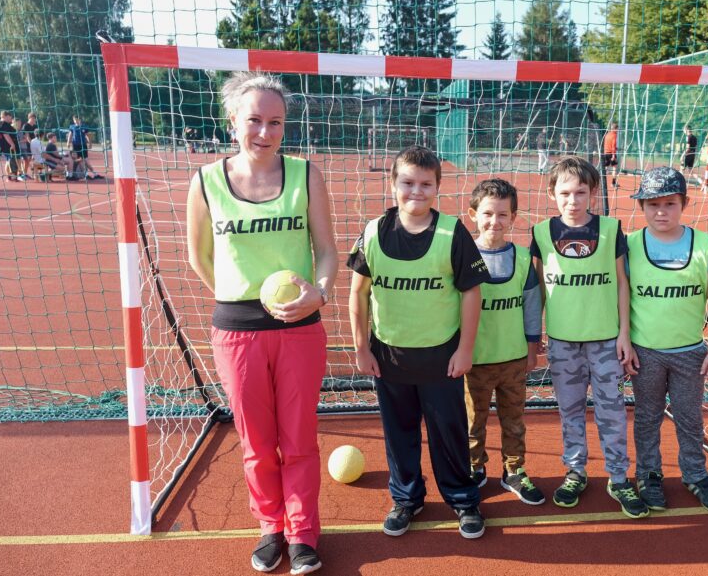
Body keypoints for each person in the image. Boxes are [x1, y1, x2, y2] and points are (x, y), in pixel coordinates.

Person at [186, 72, 338, 574]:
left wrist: (318, 293)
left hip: (299, 327)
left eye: (276, 122)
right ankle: (271, 526)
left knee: (298, 438)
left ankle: (302, 533)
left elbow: (327, 250)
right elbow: (198, 257)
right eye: (254, 120)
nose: (265, 132)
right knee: (256, 442)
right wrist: (237, 296)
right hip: (237, 330)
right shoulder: (206, 181)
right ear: (233, 121)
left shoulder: (306, 175)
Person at [347, 145, 489, 540]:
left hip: (441, 357)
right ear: (393, 184)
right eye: (408, 182)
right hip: (388, 356)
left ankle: (463, 498)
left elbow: (471, 292)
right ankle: (407, 499)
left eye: (426, 184)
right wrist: (361, 347)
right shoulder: (374, 232)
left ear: (437, 187)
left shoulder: (452, 232)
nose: (416, 191)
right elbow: (358, 293)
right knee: (399, 433)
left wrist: (465, 349)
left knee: (449, 432)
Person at [531, 156, 648, 519]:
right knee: (569, 410)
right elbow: (537, 289)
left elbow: (623, 285)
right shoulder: (541, 233)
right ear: (552, 194)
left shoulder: (611, 230)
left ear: (593, 193)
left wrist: (624, 334)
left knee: (612, 411)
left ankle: (618, 477)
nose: (573, 200)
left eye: (581, 192)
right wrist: (534, 339)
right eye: (565, 192)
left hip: (606, 342)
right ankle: (575, 471)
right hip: (563, 343)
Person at [626, 167, 708, 514]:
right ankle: (648, 474)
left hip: (689, 352)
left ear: (684, 203)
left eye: (669, 203)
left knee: (689, 418)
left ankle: (695, 474)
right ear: (642, 206)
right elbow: (621, 298)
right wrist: (624, 341)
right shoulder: (630, 245)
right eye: (652, 204)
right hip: (646, 353)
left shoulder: (704, 245)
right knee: (647, 417)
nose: (661, 212)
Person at [464, 178, 545, 505]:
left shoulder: (522, 258)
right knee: (473, 420)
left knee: (514, 420)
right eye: (487, 214)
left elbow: (531, 306)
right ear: (473, 214)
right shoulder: (462, 256)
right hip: (475, 360)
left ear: (513, 217)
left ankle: (514, 469)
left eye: (502, 215)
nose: (494, 221)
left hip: (513, 359)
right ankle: (473, 466)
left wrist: (531, 349)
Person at [66, 115, 103, 180]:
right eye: (74, 120)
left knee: (85, 160)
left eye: (77, 119)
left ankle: (95, 174)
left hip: (83, 145)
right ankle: (79, 174)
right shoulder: (72, 127)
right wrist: (68, 142)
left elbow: (87, 135)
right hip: (75, 146)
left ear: (80, 119)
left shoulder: (84, 127)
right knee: (78, 160)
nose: (75, 121)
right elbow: (70, 134)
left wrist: (90, 143)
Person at [0, 110, 21, 181]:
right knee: (11, 160)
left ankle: (10, 176)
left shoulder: (1, 124)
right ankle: (11, 176)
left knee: (9, 160)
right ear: (6, 116)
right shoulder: (3, 124)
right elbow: (6, 135)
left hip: (6, 146)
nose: (11, 118)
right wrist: (12, 144)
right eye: (10, 117)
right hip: (7, 147)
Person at [602, 121, 619, 187]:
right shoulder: (614, 135)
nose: (617, 130)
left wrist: (616, 148)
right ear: (615, 129)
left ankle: (601, 182)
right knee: (614, 168)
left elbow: (607, 144)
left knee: (605, 168)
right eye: (617, 129)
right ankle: (613, 183)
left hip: (606, 153)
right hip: (611, 153)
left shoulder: (607, 135)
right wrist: (613, 155)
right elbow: (613, 145)